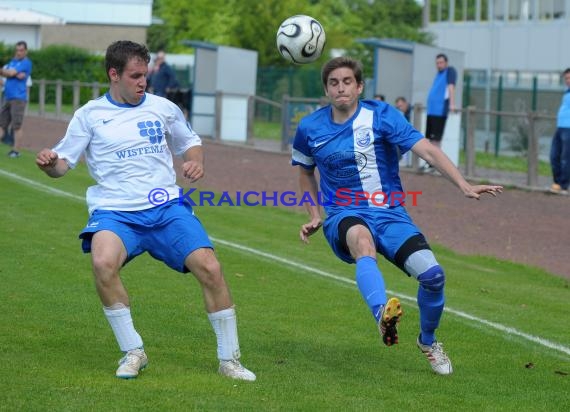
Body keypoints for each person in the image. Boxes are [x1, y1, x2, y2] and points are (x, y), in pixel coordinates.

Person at [35, 40, 256, 381]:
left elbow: (190, 142)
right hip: (116, 212)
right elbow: (63, 164)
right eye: (135, 76)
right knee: (102, 261)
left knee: (210, 267)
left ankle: (230, 360)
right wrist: (50, 163)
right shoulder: (90, 115)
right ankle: (133, 351)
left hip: (166, 208)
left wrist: (194, 163)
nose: (143, 83)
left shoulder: (163, 108)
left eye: (145, 75)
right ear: (114, 74)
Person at [291, 56, 502, 375]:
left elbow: (427, 150)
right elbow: (305, 173)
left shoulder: (383, 116)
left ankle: (428, 342)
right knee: (362, 242)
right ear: (326, 89)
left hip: (390, 215)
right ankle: (382, 317)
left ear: (359, 86)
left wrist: (464, 184)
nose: (341, 88)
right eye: (334, 83)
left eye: (347, 81)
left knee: (433, 277)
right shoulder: (309, 128)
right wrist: (313, 214)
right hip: (343, 214)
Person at [422, 53, 457, 172]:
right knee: (430, 139)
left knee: (436, 139)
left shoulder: (450, 71)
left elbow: (451, 87)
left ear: (446, 63)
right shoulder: (438, 74)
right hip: (431, 110)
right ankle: (431, 163)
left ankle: (436, 165)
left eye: (441, 62)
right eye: (437, 63)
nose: (439, 65)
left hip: (439, 111)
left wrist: (452, 104)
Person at [0, 41, 32, 158]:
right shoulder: (13, 62)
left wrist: (10, 73)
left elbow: (10, 72)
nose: (18, 53)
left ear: (25, 51)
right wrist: (9, 73)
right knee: (2, 125)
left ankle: (16, 151)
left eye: (21, 50)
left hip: (18, 98)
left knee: (16, 126)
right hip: (7, 97)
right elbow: (7, 73)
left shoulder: (26, 63)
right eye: (17, 50)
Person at [549, 68, 570, 196]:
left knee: (566, 158)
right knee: (554, 156)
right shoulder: (566, 92)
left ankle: (563, 185)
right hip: (560, 127)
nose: (568, 81)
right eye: (566, 78)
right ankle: (557, 182)